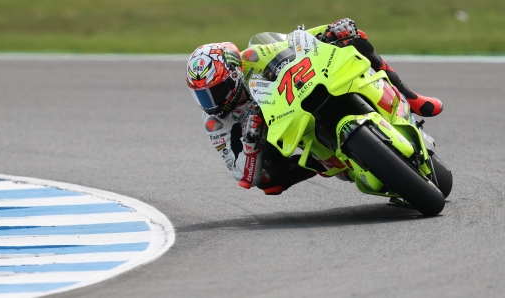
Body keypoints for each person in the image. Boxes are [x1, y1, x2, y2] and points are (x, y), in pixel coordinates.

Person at [185, 18, 443, 195]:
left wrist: (330, 31)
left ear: (234, 74)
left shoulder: (251, 58)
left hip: (300, 92)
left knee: (353, 39)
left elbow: (293, 41)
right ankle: (322, 163)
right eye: (202, 95)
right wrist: (251, 144)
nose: (211, 102)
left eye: (214, 91)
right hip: (282, 133)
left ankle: (411, 98)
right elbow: (243, 176)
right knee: (267, 181)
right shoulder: (216, 122)